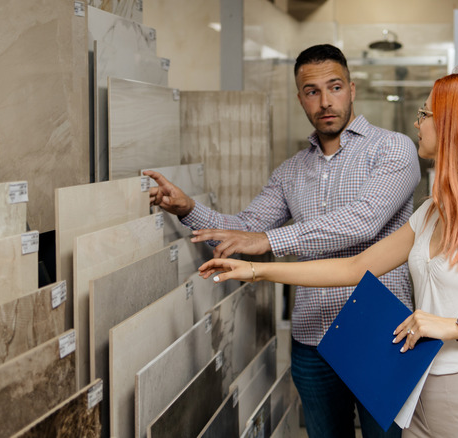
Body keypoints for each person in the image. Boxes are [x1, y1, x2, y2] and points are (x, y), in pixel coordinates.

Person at [199, 68, 458, 437]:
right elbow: (357, 267)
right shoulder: (433, 212)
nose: (418, 124)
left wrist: (454, 326)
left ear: (454, 126)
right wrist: (256, 271)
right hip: (419, 393)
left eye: (425, 114)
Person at [144, 44, 420, 438]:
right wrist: (188, 208)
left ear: (353, 89)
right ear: (300, 98)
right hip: (312, 341)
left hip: (383, 333)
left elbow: (363, 221)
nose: (325, 101)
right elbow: (244, 229)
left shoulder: (393, 148)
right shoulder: (290, 171)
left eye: (335, 87)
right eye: (312, 91)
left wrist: (269, 240)